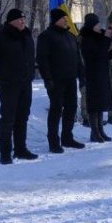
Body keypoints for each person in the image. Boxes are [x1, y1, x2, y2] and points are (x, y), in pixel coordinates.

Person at [0, 9, 38, 164]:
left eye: (24, 18)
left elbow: (30, 58)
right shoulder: (1, 37)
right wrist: (1, 79)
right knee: (8, 119)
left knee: (22, 117)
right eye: (19, 19)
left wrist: (29, 75)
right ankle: (5, 153)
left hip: (25, 84)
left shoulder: (27, 37)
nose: (23, 21)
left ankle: (21, 149)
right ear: (11, 21)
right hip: (9, 85)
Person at [36, 8, 86, 153]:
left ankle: (67, 137)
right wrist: (47, 79)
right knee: (56, 109)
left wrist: (82, 75)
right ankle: (53, 141)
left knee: (71, 108)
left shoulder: (70, 36)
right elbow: (42, 59)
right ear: (56, 20)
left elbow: (77, 58)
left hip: (70, 79)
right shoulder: (46, 36)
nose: (66, 20)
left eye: (66, 18)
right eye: (63, 18)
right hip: (56, 80)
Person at [80, 14, 112, 141]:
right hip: (92, 74)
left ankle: (100, 130)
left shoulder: (98, 37)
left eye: (99, 24)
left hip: (102, 72)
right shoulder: (86, 39)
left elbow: (103, 55)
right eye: (97, 25)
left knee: (101, 102)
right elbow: (95, 54)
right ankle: (95, 132)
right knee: (94, 104)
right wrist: (106, 38)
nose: (99, 27)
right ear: (91, 26)